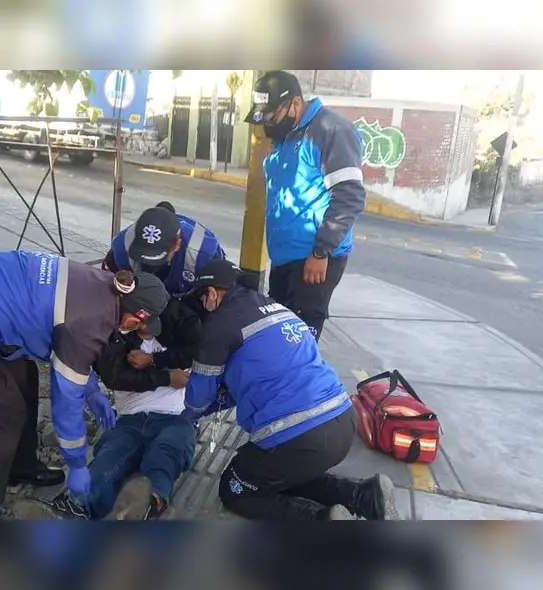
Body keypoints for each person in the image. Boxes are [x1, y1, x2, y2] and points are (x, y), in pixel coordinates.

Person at [0, 249, 170, 521]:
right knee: (4, 414)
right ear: (134, 316)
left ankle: (20, 466)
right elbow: (66, 402)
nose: (138, 329)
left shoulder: (103, 286)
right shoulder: (87, 322)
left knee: (25, 378)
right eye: (141, 324)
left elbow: (71, 352)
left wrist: (91, 390)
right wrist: (77, 464)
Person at [181, 258, 397, 521]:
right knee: (278, 475)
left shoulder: (219, 324)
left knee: (237, 489)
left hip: (298, 435)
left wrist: (183, 415)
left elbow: (198, 399)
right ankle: (363, 496)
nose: (203, 306)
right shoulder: (274, 307)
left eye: (202, 299)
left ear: (212, 293)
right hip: (342, 421)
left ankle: (320, 520)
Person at [36, 294, 204, 520]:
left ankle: (147, 504)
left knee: (165, 455)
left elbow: (200, 358)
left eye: (151, 324)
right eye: (141, 323)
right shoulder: (119, 344)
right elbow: (116, 376)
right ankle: (73, 507)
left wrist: (155, 362)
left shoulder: (178, 344)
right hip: (129, 420)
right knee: (108, 459)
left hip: (174, 418)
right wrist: (165, 376)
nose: (145, 329)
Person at [244, 70, 367, 341]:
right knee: (277, 337)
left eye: (272, 117)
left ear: (295, 104)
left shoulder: (331, 131)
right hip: (284, 259)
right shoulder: (286, 133)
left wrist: (321, 252)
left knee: (297, 343)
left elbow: (349, 196)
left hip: (312, 260)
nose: (268, 125)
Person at [103, 201, 226, 297]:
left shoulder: (205, 254)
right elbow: (108, 289)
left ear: (177, 244)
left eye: (158, 257)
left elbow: (219, 298)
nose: (151, 264)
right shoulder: (122, 247)